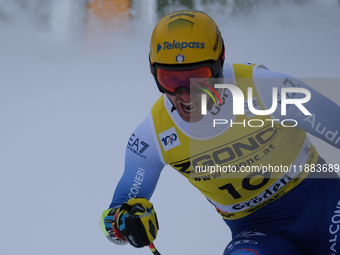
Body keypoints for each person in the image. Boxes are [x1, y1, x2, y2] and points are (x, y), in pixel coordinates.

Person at [100, 10, 340, 255]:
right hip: (258, 232)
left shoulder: (263, 87)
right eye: (170, 80)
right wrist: (124, 224)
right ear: (154, 73)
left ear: (219, 64)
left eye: (198, 78)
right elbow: (114, 217)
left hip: (325, 204)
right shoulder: (152, 136)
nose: (185, 94)